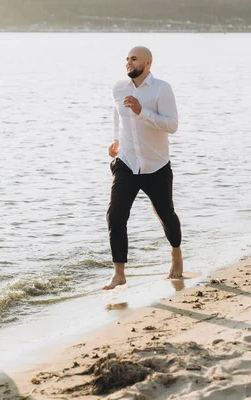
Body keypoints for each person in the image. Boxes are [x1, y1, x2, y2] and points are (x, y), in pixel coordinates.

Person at [104, 46, 183, 290]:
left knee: (165, 214)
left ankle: (176, 254)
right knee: (115, 215)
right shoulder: (119, 88)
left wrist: (142, 112)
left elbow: (172, 126)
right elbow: (118, 116)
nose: (128, 63)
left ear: (147, 63)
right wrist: (116, 140)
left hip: (156, 165)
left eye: (134, 59)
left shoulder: (162, 89)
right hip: (126, 162)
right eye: (126, 59)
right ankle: (119, 273)